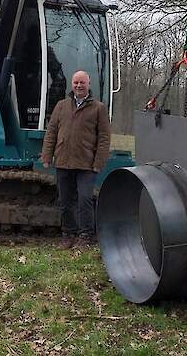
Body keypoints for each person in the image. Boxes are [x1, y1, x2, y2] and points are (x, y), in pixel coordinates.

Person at [41, 70, 111, 248]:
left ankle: (85, 236)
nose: (79, 86)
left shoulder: (98, 108)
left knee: (85, 200)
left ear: (89, 84)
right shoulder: (61, 106)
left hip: (86, 164)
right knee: (65, 201)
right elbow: (51, 133)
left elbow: (104, 138)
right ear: (72, 85)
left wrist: (99, 162)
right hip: (63, 161)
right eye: (76, 83)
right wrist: (47, 155)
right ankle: (68, 235)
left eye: (82, 83)